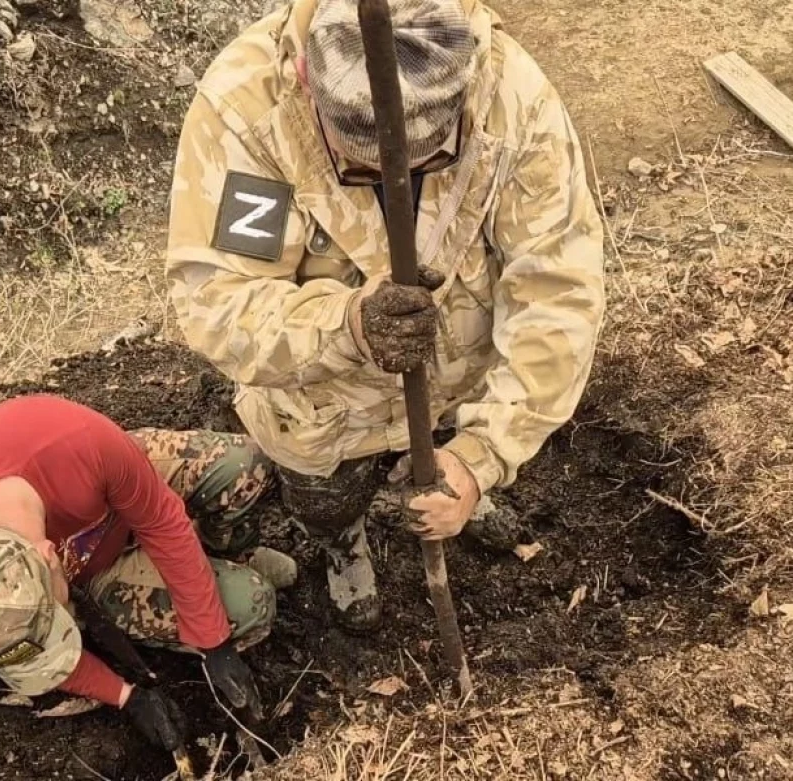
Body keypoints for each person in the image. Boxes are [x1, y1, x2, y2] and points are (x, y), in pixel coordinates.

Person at [165, 0, 606, 631]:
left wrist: (484, 454)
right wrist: (346, 326)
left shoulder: (514, 99)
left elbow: (557, 290)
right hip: (323, 397)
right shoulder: (246, 111)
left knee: (448, 453)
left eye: (433, 162)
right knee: (325, 492)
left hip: (456, 366)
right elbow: (217, 302)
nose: (386, 179)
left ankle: (444, 480)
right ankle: (342, 539)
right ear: (305, 84)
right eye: (357, 165)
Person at [0, 394, 295, 753]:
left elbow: (162, 523)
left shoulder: (80, 445)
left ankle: (224, 554)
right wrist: (126, 696)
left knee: (245, 464)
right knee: (252, 603)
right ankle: (211, 577)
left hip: (112, 495)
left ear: (51, 557)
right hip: (98, 571)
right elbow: (36, 656)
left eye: (56, 617)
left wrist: (214, 643)